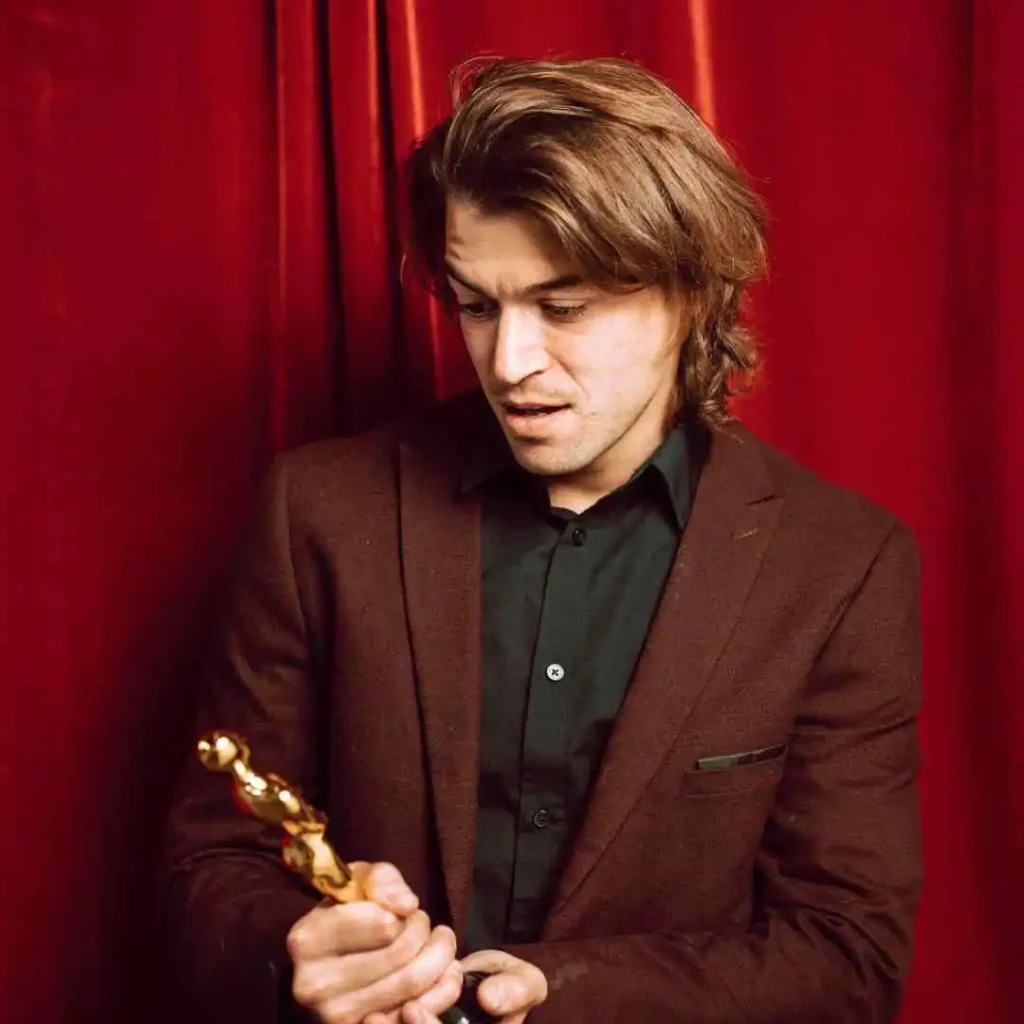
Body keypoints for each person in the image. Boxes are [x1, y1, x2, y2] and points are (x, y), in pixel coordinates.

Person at [158, 57, 923, 1024]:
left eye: (563, 308)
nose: (510, 363)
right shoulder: (319, 509)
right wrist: (290, 955)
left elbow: (847, 955)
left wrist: (564, 994)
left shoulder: (841, 565)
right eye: (478, 306)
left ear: (691, 293)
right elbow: (211, 857)